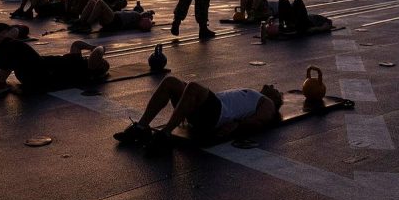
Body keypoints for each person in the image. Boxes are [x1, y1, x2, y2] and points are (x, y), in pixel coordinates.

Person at [114, 76, 284, 150]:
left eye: (277, 91)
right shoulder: (253, 94)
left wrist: (237, 126)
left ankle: (165, 134)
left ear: (275, 100)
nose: (274, 88)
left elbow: (261, 121)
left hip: (217, 116)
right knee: (170, 82)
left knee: (193, 86)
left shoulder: (267, 102)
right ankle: (142, 127)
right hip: (207, 109)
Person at [0, 39, 109, 95]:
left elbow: (97, 54)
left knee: (16, 46)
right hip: (36, 69)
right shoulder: (78, 59)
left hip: (41, 74)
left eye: (102, 62)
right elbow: (76, 44)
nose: (101, 60)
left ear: (98, 67)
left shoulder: (87, 71)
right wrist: (90, 47)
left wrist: (101, 48)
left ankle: (0, 83)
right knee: (6, 42)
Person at [71, 0, 155, 33]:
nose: (146, 12)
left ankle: (87, 24)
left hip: (114, 20)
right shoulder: (135, 15)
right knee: (92, 2)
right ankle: (81, 21)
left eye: (146, 13)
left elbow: (145, 19)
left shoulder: (138, 16)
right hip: (112, 19)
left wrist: (149, 14)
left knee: (99, 2)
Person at [10, 0, 92, 21]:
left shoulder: (74, 8)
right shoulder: (69, 2)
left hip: (48, 8)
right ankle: (21, 9)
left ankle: (29, 11)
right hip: (48, 5)